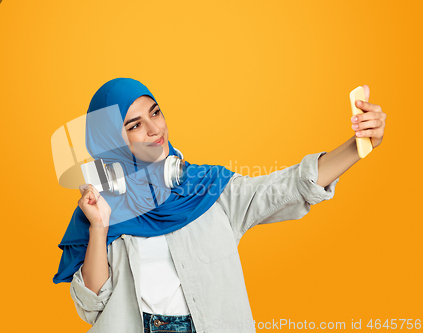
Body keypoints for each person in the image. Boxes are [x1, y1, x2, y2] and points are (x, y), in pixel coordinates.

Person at [53, 78, 386, 333]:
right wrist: (99, 226)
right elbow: (92, 306)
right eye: (135, 124)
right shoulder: (99, 207)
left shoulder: (209, 189)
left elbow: (286, 187)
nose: (155, 129)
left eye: (156, 112)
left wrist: (358, 147)